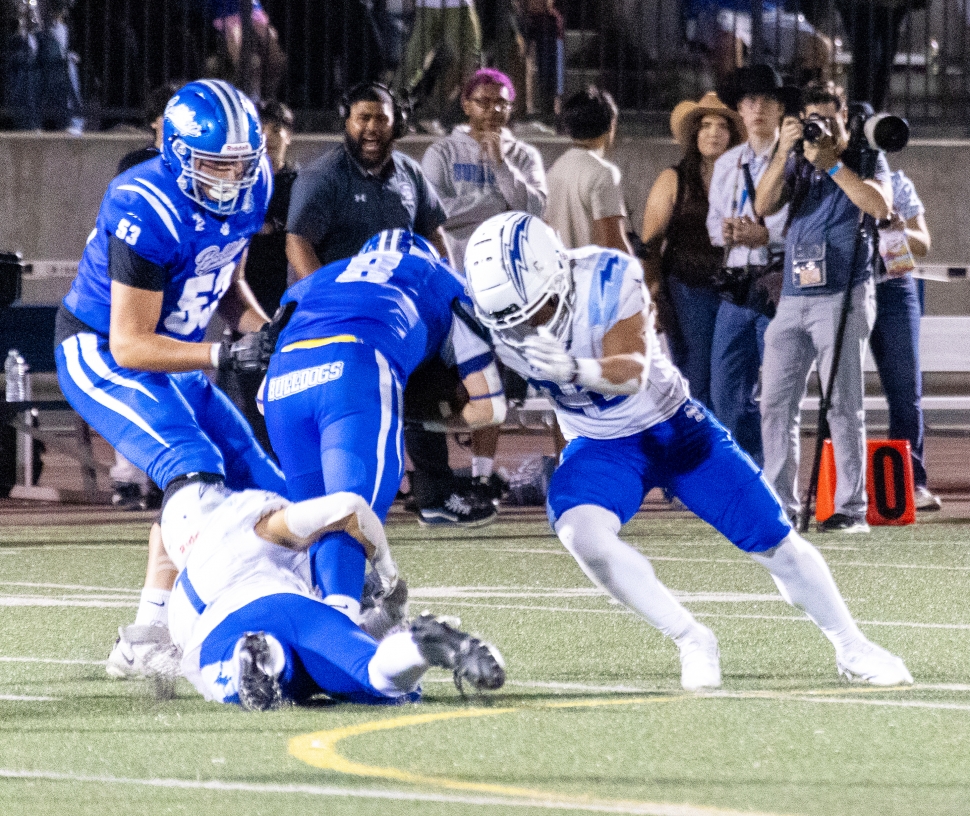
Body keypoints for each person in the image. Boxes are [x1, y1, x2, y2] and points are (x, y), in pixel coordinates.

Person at [464, 210, 913, 689]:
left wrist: (576, 369)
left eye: (538, 307)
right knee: (582, 535)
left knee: (777, 543)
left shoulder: (608, 274)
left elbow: (631, 371)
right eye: (513, 318)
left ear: (556, 271)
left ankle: (851, 645)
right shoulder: (491, 317)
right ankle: (691, 638)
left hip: (675, 430)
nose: (529, 324)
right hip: (600, 446)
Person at [53, 80, 286, 678]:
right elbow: (130, 342)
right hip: (103, 350)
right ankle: (194, 629)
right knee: (194, 474)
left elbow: (225, 284)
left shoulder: (252, 186)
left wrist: (267, 335)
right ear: (179, 152)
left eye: (241, 163)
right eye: (216, 164)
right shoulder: (143, 202)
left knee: (267, 484)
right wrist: (222, 358)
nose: (232, 178)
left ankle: (146, 636)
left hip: (178, 351)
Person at [263, 229, 507, 621]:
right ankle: (344, 651)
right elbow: (489, 408)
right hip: (357, 368)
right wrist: (414, 418)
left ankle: (304, 632)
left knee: (313, 526)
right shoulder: (443, 278)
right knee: (348, 519)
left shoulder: (316, 281)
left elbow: (261, 386)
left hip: (282, 384)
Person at [159, 479, 505, 709]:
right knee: (378, 679)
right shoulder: (246, 522)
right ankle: (421, 646)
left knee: (236, 687)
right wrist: (387, 575)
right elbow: (348, 507)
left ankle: (258, 656)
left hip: (224, 629)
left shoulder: (180, 598)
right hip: (298, 611)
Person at [755, 80, 892, 533]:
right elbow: (763, 205)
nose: (821, 129)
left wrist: (833, 165)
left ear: (845, 114)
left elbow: (878, 205)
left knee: (843, 404)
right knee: (775, 401)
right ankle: (780, 506)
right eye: (813, 120)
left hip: (844, 293)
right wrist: (782, 151)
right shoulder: (796, 161)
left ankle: (851, 508)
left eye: (829, 120)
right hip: (795, 297)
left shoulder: (867, 156)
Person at [421, 67, 546, 498]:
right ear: (466, 104)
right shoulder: (443, 150)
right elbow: (433, 213)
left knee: (495, 381)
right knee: (444, 382)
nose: (492, 111)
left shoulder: (525, 155)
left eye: (501, 102)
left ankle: (481, 475)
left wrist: (501, 164)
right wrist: (493, 203)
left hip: (503, 287)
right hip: (451, 282)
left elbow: (532, 210)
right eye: (483, 101)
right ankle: (432, 476)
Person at [705, 66, 792, 463]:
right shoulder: (728, 163)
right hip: (738, 284)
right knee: (725, 388)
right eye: (750, 101)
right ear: (740, 109)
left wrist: (766, 235)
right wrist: (726, 231)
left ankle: (768, 471)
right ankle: (740, 469)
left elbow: (801, 225)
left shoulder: (794, 160)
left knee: (775, 388)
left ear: (780, 110)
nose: (758, 108)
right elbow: (712, 224)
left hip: (777, 283)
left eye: (767, 101)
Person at [640, 91, 744, 409]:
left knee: (732, 380)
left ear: (732, 135)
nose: (713, 133)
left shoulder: (746, 178)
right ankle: (697, 451)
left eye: (722, 126)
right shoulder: (673, 179)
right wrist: (652, 294)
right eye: (705, 125)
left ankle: (729, 453)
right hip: (687, 289)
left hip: (735, 290)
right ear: (694, 134)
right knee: (697, 378)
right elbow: (650, 244)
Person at [286, 82, 448, 276]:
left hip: (395, 297)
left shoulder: (410, 172)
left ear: (396, 124)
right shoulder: (322, 175)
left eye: (381, 119)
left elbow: (435, 235)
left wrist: (452, 291)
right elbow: (297, 243)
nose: (372, 127)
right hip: (337, 299)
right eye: (364, 118)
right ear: (346, 122)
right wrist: (327, 294)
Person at [216, 99, 298, 457]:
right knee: (232, 408)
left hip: (285, 307)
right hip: (243, 307)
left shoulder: (299, 186)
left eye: (276, 128)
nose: (269, 136)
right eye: (261, 129)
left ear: (288, 136)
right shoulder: (240, 185)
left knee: (278, 410)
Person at [870, 169, 941, 511]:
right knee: (839, 390)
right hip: (844, 285)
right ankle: (840, 482)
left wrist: (899, 229)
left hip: (895, 284)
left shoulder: (897, 181)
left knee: (905, 388)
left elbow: (924, 243)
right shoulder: (829, 172)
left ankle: (911, 482)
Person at [545, 87, 632, 255]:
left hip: (560, 274)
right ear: (610, 125)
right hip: (591, 276)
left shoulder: (555, 169)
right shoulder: (603, 173)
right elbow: (613, 243)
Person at [683, 0, 832, 87]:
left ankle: (794, 101)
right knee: (728, 41)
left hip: (770, 13)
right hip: (723, 10)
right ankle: (732, 105)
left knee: (820, 46)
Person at [395, 0, 483, 134]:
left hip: (442, 6)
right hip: (447, 6)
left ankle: (392, 107)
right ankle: (395, 108)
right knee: (468, 60)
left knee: (414, 60)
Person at [202, 0, 285, 103]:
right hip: (226, 14)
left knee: (273, 49)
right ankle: (244, 101)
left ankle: (266, 102)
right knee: (236, 37)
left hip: (252, 13)